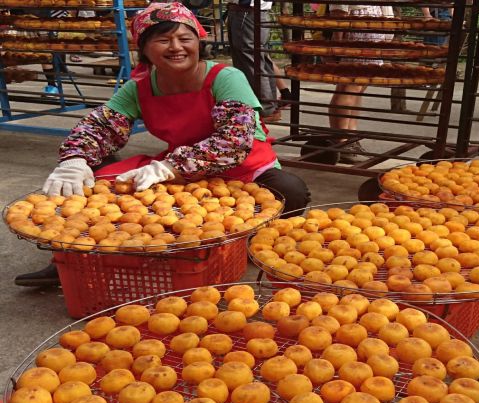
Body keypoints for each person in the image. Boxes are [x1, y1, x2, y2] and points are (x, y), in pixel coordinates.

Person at [15, 2, 309, 287]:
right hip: (178, 171)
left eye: (185, 38)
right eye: (163, 40)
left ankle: (251, 244)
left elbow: (233, 141)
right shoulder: (139, 87)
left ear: (198, 42)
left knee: (291, 191)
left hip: (243, 168)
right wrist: (75, 158)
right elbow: (101, 126)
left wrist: (170, 167)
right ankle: (73, 257)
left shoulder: (226, 77)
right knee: (96, 180)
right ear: (143, 49)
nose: (176, 47)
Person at [327, 4, 389, 164]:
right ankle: (341, 141)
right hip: (358, 22)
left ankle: (350, 137)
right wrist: (338, 37)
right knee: (350, 87)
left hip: (370, 23)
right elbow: (339, 8)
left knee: (358, 86)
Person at [226, 0, 280, 121]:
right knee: (259, 59)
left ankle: (265, 108)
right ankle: (269, 107)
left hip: (248, 11)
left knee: (251, 60)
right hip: (251, 11)